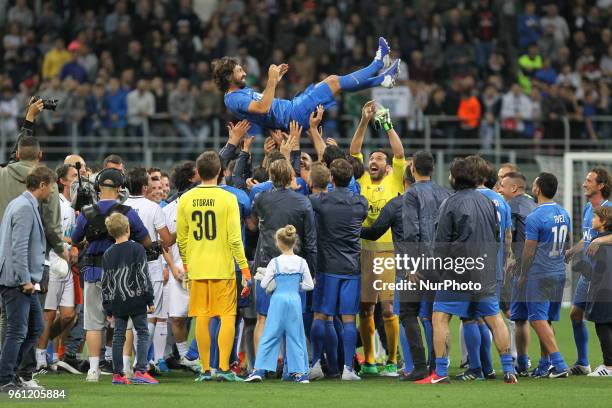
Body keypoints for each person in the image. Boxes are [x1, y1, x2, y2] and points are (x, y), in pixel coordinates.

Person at [417, 158, 517, 384]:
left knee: (440, 317)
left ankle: (441, 373)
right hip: (485, 269)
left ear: (455, 178)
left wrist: (439, 270)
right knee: (493, 318)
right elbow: (497, 237)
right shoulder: (490, 202)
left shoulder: (450, 203)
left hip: (458, 270)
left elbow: (441, 242)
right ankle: (509, 370)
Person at [214, 37, 400, 131]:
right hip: (292, 115)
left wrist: (274, 82)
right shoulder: (233, 99)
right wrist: (271, 81)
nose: (245, 72)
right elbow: (263, 108)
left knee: (331, 80)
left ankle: (384, 79)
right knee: (334, 82)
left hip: (292, 109)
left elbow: (262, 103)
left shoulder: (237, 94)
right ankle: (378, 63)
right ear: (229, 76)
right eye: (239, 71)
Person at [176, 151, 251, 382]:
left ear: (198, 173)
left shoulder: (186, 199)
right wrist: (245, 270)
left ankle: (206, 369)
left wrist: (187, 266)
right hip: (223, 268)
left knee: (202, 317)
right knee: (227, 316)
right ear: (220, 172)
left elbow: (182, 238)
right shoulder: (228, 199)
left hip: (198, 268)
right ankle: (224, 369)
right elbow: (235, 239)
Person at [71, 168, 151, 382]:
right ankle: (125, 367)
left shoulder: (87, 212)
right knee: (124, 322)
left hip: (94, 272)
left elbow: (74, 238)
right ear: (120, 188)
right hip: (122, 276)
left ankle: (93, 370)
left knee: (94, 322)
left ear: (98, 187)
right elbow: (146, 240)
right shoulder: (127, 212)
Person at [349, 101, 406, 377]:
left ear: (388, 167)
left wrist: (387, 125)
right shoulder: (360, 181)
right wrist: (363, 121)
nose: (374, 161)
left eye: (379, 159)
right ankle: (370, 360)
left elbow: (399, 152)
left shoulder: (395, 181)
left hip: (387, 253)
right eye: (372, 159)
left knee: (387, 309)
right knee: (365, 309)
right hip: (363, 252)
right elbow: (354, 152)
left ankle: (393, 360)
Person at [246, 158, 317, 361]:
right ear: (291, 177)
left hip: (265, 264)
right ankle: (291, 365)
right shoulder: (303, 201)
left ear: (271, 177)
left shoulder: (261, 199)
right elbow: (311, 241)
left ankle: (261, 365)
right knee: (293, 320)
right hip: (293, 267)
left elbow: (254, 222)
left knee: (262, 318)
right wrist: (311, 272)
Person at [309, 159, 368, 381]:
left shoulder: (320, 201)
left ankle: (315, 364)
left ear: (332, 179)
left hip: (327, 267)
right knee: (349, 320)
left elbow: (306, 202)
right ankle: (348, 369)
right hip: (351, 268)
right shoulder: (360, 203)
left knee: (321, 315)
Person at [0, 166, 56, 392]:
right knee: (17, 330)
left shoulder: (20, 203)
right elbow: (19, 247)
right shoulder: (24, 207)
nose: (51, 192)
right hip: (18, 281)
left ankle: (11, 373)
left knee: (35, 327)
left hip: (22, 279)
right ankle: (5, 379)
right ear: (42, 185)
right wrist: (25, 280)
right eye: (50, 187)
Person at [457, 155, 512, 381]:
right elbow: (508, 236)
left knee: (471, 318)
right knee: (493, 316)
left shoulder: (466, 198)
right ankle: (503, 368)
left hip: (471, 266)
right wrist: (505, 260)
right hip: (495, 267)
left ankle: (477, 368)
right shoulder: (501, 201)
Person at [398, 151, 450, 381]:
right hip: (442, 262)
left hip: (420, 262)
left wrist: (410, 266)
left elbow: (412, 231)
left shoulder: (411, 194)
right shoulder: (444, 193)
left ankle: (419, 366)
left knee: (408, 313)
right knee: (432, 315)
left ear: (412, 168)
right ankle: (436, 366)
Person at [245, 225, 314, 383]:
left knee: (270, 335)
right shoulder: (301, 262)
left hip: (278, 300)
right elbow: (310, 285)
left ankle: (259, 370)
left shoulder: (275, 262)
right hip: (294, 299)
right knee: (296, 336)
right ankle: (300, 373)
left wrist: (275, 284)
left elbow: (263, 285)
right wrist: (296, 286)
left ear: (278, 242)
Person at [518, 173, 571, 378]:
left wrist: (523, 275)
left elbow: (529, 251)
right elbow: (566, 241)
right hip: (558, 272)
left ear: (538, 189)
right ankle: (544, 364)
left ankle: (559, 365)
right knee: (546, 320)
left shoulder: (535, 217)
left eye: (534, 183)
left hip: (540, 273)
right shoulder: (563, 213)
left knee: (537, 320)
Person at [125, 168, 174, 372]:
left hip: (126, 267)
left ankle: (129, 363)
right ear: (145, 187)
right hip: (150, 267)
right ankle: (142, 362)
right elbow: (167, 240)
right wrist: (179, 232)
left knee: (128, 316)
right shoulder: (153, 208)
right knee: (150, 315)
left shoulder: (122, 206)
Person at [101, 213, 158, 385]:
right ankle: (140, 370)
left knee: (119, 335)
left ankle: (118, 374)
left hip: (117, 300)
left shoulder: (108, 253)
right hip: (137, 298)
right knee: (142, 332)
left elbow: (106, 282)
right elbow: (142, 275)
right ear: (128, 228)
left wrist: (107, 306)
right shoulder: (137, 249)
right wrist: (150, 299)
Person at [565, 168, 612, 375]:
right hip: (588, 274)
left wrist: (601, 239)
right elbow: (587, 236)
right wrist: (573, 250)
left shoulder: (609, 208)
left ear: (600, 185)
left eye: (588, 180)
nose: (584, 184)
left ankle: (608, 365)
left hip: (603, 275)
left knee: (604, 318)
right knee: (576, 314)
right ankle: (583, 363)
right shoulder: (587, 208)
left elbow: (599, 237)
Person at [35, 164, 78, 372]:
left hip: (67, 263)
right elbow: (50, 231)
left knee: (69, 314)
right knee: (49, 314)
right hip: (54, 261)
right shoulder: (57, 203)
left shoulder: (72, 204)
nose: (78, 179)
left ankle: (39, 349)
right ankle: (41, 357)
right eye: (74, 176)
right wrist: (70, 243)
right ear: (62, 181)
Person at [499, 172, 537, 376]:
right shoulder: (532, 204)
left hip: (524, 268)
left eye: (502, 185)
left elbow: (508, 236)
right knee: (534, 317)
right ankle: (526, 362)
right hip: (542, 266)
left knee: (519, 316)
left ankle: (551, 363)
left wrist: (510, 260)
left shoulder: (510, 207)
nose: (499, 188)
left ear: (513, 188)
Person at [583, 206, 612, 377]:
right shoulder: (601, 240)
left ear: (603, 222)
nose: (592, 220)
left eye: (595, 218)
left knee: (603, 325)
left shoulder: (598, 243)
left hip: (603, 290)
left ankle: (609, 366)